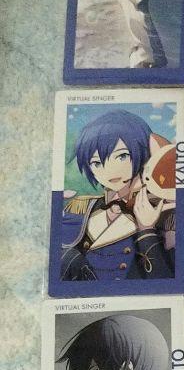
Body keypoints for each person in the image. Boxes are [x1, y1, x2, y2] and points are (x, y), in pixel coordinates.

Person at [62, 108, 176, 282]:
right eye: (96, 163)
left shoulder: (167, 211)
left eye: (122, 156)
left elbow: (168, 282)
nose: (109, 170)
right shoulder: (82, 207)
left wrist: (147, 230)